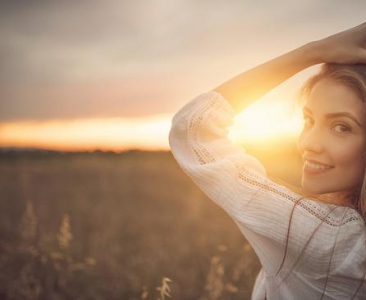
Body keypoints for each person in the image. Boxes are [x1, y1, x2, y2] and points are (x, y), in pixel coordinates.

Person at [169, 22, 366, 299]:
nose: (308, 142)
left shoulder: (331, 238)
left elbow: (192, 130)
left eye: (342, 127)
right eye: (309, 120)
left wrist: (314, 51)